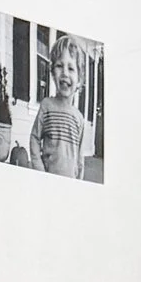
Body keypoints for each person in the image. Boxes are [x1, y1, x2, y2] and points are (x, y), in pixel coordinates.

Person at [30, 32, 95, 180]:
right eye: (59, 66)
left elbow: (80, 158)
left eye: (71, 68)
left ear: (79, 80)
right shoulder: (46, 106)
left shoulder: (79, 118)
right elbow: (34, 138)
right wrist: (39, 169)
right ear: (53, 73)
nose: (65, 73)